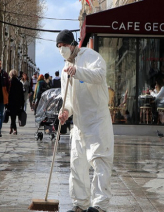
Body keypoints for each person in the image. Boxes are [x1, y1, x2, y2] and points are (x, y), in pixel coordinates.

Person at [56, 29, 114, 212]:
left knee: (100, 162)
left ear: (72, 44)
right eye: (58, 47)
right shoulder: (65, 70)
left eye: (64, 45)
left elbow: (99, 75)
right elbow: (68, 100)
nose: (62, 50)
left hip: (97, 121)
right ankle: (80, 204)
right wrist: (65, 111)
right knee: (77, 164)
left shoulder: (90, 56)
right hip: (79, 125)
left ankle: (99, 205)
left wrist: (78, 71)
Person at [7, 70, 24, 135]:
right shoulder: (19, 84)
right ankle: (12, 128)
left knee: (12, 116)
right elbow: (22, 95)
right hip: (18, 102)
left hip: (10, 102)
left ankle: (14, 129)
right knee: (14, 116)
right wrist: (22, 104)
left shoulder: (9, 83)